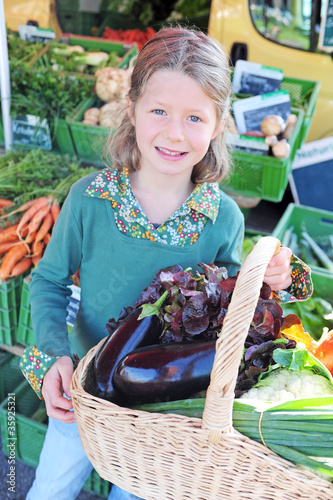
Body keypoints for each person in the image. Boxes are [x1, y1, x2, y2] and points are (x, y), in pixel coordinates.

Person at [21, 26, 312, 500]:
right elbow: (48, 282)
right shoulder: (89, 200)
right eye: (159, 111)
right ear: (131, 108)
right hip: (84, 390)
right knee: (49, 488)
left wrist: (279, 276)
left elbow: (234, 310)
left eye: (195, 117)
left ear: (219, 124)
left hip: (166, 411)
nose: (175, 133)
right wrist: (55, 354)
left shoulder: (223, 218)